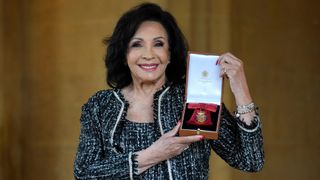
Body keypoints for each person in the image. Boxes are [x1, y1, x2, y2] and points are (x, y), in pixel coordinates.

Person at [74, 2, 264, 180]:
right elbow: (83, 173)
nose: (148, 55)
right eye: (137, 44)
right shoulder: (101, 105)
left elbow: (250, 161)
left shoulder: (194, 98)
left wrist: (241, 91)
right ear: (124, 55)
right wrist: (153, 154)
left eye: (158, 44)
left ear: (170, 53)